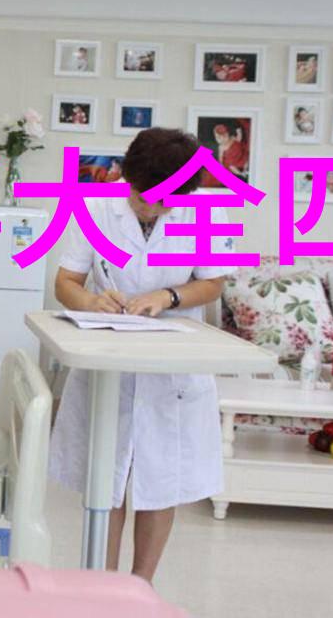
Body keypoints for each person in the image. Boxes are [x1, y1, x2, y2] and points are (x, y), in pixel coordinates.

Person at [49, 128, 235, 583]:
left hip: (172, 363)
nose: (150, 209)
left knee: (161, 480)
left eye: (164, 202)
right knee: (106, 479)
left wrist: (167, 296)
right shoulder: (94, 206)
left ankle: (140, 587)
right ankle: (101, 586)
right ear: (127, 177)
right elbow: (66, 282)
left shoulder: (207, 212)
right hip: (108, 356)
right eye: (142, 197)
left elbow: (213, 283)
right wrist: (91, 301)